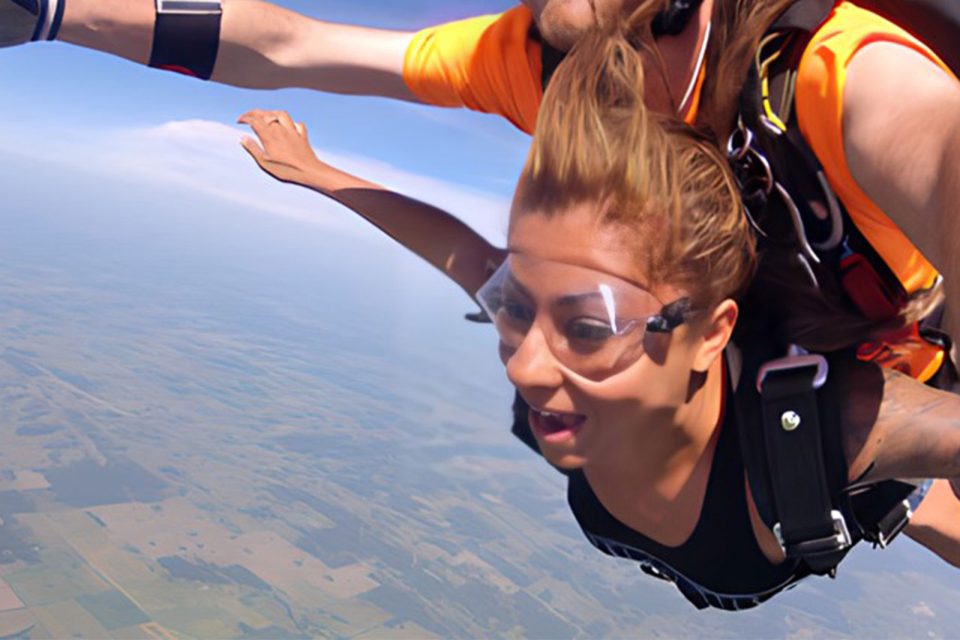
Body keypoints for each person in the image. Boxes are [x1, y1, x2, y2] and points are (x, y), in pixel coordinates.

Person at [237, 20, 960, 611]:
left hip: (813, 480)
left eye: (587, 329)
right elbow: (458, 250)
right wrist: (321, 173)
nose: (521, 363)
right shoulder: (574, 384)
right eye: (518, 310)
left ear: (712, 333)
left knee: (908, 504)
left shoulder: (837, 425)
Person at [5, 0, 957, 379]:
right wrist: (53, 14)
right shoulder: (540, 58)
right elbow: (297, 46)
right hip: (759, 361)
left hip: (888, 367)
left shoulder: (841, 77)